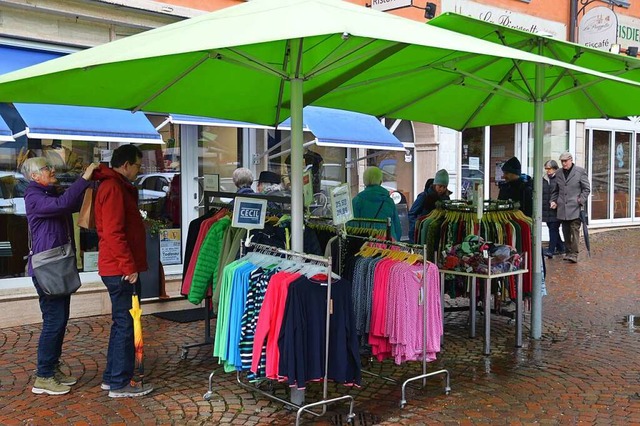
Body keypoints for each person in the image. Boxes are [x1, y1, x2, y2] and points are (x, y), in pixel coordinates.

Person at [23, 157, 98, 395]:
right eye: (46, 168)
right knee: (54, 322)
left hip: (57, 265)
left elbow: (71, 202)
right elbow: (64, 204)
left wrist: (91, 184)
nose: (52, 170)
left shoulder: (49, 192)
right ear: (35, 176)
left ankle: (52, 368)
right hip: (48, 268)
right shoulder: (34, 197)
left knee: (60, 319)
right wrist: (84, 177)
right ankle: (43, 376)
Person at [93, 144, 153, 397]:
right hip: (120, 269)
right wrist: (129, 267)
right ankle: (119, 382)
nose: (139, 171)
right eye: (138, 166)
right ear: (126, 164)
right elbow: (114, 233)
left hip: (118, 267)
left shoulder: (114, 186)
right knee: (126, 325)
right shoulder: (114, 188)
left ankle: (112, 378)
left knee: (122, 323)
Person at [550, 151, 590, 263]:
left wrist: (581, 199)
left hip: (575, 207)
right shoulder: (558, 173)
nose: (563, 163)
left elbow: (586, 188)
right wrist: (553, 200)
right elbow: (555, 190)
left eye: (565, 161)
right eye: (562, 161)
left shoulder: (580, 172)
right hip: (562, 208)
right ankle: (568, 252)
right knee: (565, 231)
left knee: (574, 230)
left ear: (571, 160)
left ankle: (574, 254)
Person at [352, 166, 402, 241]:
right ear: (380, 181)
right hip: (387, 244)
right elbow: (397, 229)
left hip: (365, 245)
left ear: (365, 181)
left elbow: (352, 227)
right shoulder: (389, 201)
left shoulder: (357, 201)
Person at [408, 170, 451, 243]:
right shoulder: (424, 197)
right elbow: (412, 214)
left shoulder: (446, 200)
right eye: (440, 186)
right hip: (421, 234)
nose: (442, 189)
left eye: (444, 187)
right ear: (435, 185)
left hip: (438, 236)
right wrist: (418, 227)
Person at [542, 160, 565, 259]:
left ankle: (551, 250)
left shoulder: (559, 178)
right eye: (546, 168)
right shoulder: (544, 179)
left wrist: (556, 202)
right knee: (551, 227)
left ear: (555, 168)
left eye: (549, 168)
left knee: (553, 228)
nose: (547, 171)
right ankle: (561, 247)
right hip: (546, 208)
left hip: (556, 208)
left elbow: (562, 193)